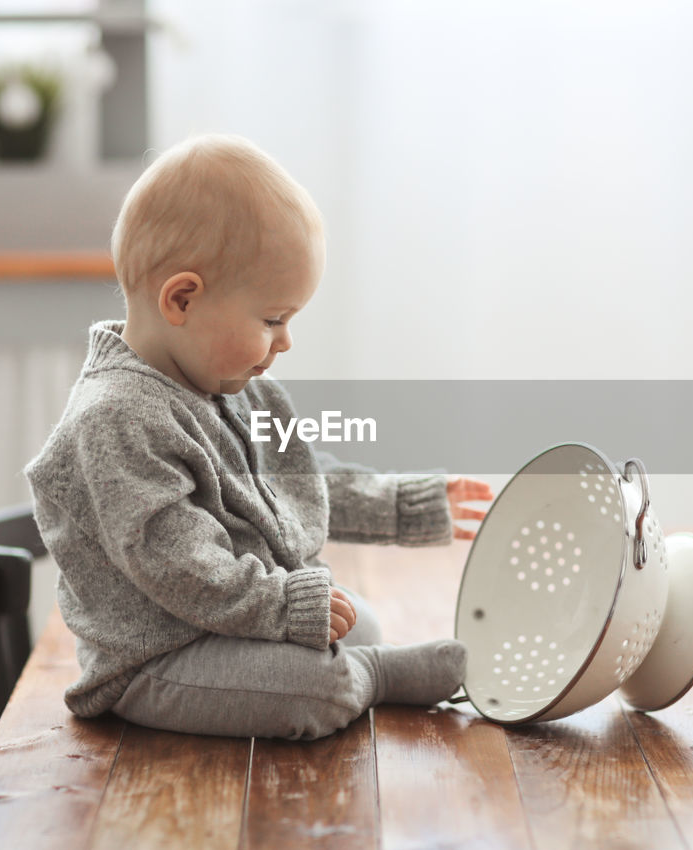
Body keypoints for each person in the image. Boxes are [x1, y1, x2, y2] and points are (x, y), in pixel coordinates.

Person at [24, 134, 494, 740]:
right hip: (158, 657)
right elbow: (180, 565)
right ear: (183, 299)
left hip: (232, 620)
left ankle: (360, 662)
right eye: (273, 319)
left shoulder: (229, 383)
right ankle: (367, 679)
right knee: (316, 689)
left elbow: (299, 482)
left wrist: (405, 504)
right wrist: (286, 607)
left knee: (360, 624)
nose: (285, 341)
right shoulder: (115, 420)